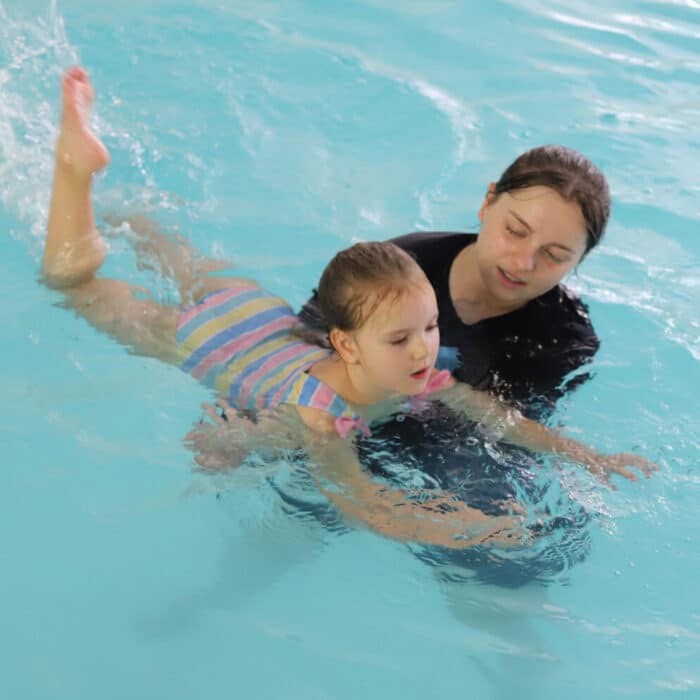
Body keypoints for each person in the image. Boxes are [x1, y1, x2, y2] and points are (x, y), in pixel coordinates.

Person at [41, 67, 655, 552]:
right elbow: (361, 503)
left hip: (261, 314)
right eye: (403, 340)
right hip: (215, 341)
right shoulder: (323, 418)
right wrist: (474, 530)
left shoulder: (419, 367)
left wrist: (587, 457)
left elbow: (497, 416)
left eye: (431, 330)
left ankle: (136, 219)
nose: (424, 349)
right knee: (75, 284)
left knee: (188, 262)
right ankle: (75, 176)